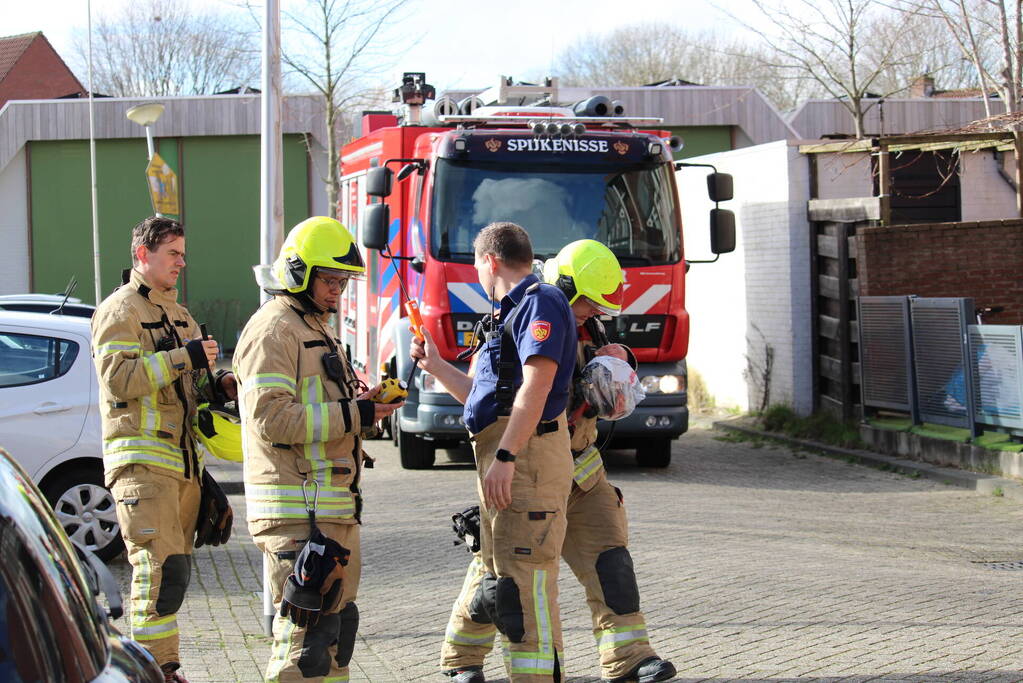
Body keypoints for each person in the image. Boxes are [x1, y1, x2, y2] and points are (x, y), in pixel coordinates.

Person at [439, 240, 677, 683]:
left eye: (599, 308)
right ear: (565, 287)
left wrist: (619, 366)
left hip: (582, 472)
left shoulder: (588, 328)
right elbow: (479, 395)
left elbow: (605, 385)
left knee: (611, 561)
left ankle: (629, 658)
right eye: (587, 303)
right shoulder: (516, 320)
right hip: (532, 470)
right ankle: (463, 657)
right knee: (501, 574)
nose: (592, 313)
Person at [233, 216, 402, 683]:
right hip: (296, 514)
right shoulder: (274, 331)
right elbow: (270, 419)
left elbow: (323, 409)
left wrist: (362, 406)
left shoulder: (314, 327)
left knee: (333, 640)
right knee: (303, 648)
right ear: (297, 272)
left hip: (329, 514)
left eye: (343, 281)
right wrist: (356, 415)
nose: (338, 291)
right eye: (329, 279)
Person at [411, 221, 577, 683]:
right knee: (493, 564)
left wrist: (505, 458)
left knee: (524, 581)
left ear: (490, 260)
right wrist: (436, 365)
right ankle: (461, 662)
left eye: (477, 267)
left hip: (525, 460)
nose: (477, 277)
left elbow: (537, 384)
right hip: (504, 453)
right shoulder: (506, 314)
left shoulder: (539, 302)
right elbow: (484, 397)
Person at [91, 216, 237, 683]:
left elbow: (190, 388)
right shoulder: (119, 311)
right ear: (142, 255)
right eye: (172, 253)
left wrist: (222, 385)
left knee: (171, 576)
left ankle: (160, 668)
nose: (182, 262)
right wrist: (184, 357)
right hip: (141, 466)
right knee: (157, 571)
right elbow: (119, 378)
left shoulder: (180, 315)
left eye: (182, 253)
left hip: (181, 467)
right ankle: (152, 672)